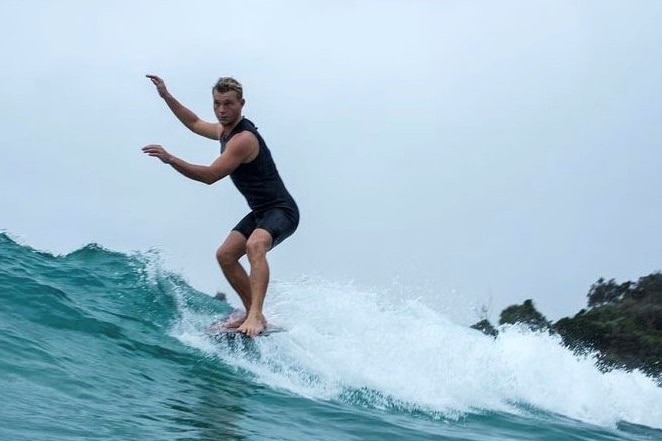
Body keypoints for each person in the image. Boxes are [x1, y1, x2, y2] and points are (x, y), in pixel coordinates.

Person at [142, 74, 299, 337]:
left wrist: (171, 159)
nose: (222, 110)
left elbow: (210, 176)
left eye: (228, 104)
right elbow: (193, 123)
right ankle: (253, 313)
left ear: (241, 104)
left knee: (254, 246)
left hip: (281, 210)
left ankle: (256, 316)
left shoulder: (243, 139)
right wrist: (167, 97)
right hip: (261, 212)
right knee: (225, 255)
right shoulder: (223, 131)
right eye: (217, 104)